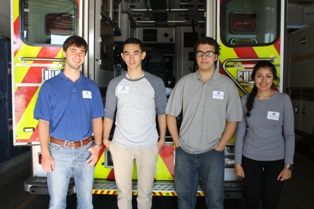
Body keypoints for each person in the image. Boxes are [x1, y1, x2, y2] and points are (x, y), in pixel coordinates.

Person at [166, 36, 242, 209]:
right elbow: (170, 114)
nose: (204, 57)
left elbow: (233, 119)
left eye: (209, 53)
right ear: (195, 56)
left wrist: (221, 145)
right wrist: (177, 142)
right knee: (184, 199)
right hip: (185, 151)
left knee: (215, 200)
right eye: (200, 53)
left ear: (216, 57)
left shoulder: (227, 85)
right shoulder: (184, 83)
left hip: (213, 152)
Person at [34, 35, 104, 209]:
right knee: (57, 203)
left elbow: (97, 119)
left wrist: (97, 146)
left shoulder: (91, 87)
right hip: (58, 152)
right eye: (73, 50)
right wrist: (46, 153)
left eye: (82, 52)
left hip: (86, 151)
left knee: (86, 202)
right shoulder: (49, 87)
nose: (78, 55)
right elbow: (43, 123)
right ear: (64, 53)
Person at [103, 38, 167, 209]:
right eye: (127, 54)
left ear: (143, 55)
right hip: (121, 146)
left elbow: (162, 112)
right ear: (123, 57)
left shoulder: (155, 82)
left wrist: (161, 139)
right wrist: (105, 139)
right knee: (123, 193)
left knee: (145, 193)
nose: (131, 58)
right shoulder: (115, 83)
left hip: (148, 145)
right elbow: (109, 113)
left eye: (136, 53)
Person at [234, 61, 295, 209]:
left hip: (276, 160)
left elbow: (289, 135)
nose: (264, 80)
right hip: (250, 159)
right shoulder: (245, 100)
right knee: (251, 201)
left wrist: (288, 166)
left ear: (273, 79)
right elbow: (240, 133)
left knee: (270, 202)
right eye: (259, 76)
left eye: (268, 76)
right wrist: (237, 163)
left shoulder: (283, 99)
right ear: (254, 77)